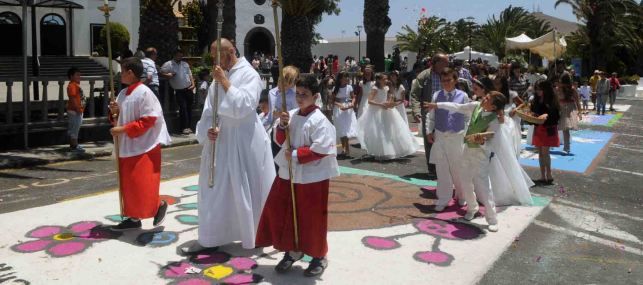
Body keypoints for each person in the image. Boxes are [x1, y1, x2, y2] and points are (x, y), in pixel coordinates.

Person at [186, 38, 276, 253]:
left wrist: (225, 82)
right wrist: (208, 129)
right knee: (213, 188)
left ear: (231, 52)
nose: (214, 62)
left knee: (248, 189)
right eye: (212, 57)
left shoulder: (249, 74)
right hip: (219, 141)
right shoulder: (219, 75)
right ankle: (211, 238)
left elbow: (244, 106)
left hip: (244, 141)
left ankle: (254, 234)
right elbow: (209, 109)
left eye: (217, 56)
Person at [256, 75, 339, 277]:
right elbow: (278, 138)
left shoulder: (320, 121)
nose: (300, 98)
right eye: (298, 94)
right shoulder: (290, 114)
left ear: (315, 96)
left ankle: (319, 255)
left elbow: (323, 149)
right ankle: (292, 250)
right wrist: (283, 126)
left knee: (311, 218)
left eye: (305, 95)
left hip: (313, 177)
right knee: (283, 211)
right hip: (288, 173)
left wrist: (294, 154)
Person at [107, 57, 171, 230]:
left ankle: (159, 205)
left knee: (141, 184)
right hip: (126, 146)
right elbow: (117, 117)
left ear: (130, 72)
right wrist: (114, 111)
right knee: (127, 185)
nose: (120, 74)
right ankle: (133, 218)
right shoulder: (122, 94)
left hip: (144, 146)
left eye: (123, 70)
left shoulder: (144, 92)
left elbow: (149, 120)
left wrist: (123, 130)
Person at [424, 67, 469, 211]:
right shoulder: (436, 95)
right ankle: (443, 198)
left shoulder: (463, 96)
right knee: (442, 168)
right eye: (443, 80)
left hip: (457, 136)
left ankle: (462, 196)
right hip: (441, 136)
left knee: (458, 168)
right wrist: (428, 131)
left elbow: (468, 117)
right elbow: (430, 116)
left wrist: (466, 134)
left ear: (455, 80)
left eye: (449, 80)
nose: (446, 83)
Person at [357, 73, 419, 160]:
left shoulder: (386, 88)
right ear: (379, 80)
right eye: (384, 79)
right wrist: (380, 104)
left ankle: (391, 150)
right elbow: (370, 101)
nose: (386, 80)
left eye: (386, 79)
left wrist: (389, 103)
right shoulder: (375, 89)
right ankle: (381, 152)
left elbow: (390, 97)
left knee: (390, 130)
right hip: (377, 112)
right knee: (380, 132)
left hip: (387, 111)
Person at [410, 53, 449, 178]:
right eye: (444, 62)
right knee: (430, 141)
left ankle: (445, 168)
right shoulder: (425, 76)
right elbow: (415, 95)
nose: (447, 64)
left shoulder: (448, 74)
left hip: (446, 112)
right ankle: (432, 169)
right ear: (436, 62)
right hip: (429, 113)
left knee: (446, 140)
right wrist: (416, 111)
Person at [530, 79, 560, 185]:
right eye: (536, 89)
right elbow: (533, 112)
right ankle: (543, 175)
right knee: (540, 153)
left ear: (545, 89)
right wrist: (532, 115)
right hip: (539, 128)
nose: (538, 91)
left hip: (548, 128)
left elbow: (556, 116)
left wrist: (546, 115)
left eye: (540, 89)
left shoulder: (552, 99)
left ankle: (549, 174)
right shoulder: (536, 99)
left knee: (545, 152)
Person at [161, 49, 195, 135]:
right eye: (178, 55)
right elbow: (160, 72)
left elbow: (190, 74)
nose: (180, 57)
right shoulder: (169, 64)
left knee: (189, 108)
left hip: (188, 88)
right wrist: (168, 75)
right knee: (182, 108)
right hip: (179, 90)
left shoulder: (185, 64)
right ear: (174, 55)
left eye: (181, 55)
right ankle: (183, 127)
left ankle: (189, 126)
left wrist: (193, 84)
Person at [330, 71, 358, 157]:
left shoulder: (349, 87)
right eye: (345, 77)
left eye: (347, 77)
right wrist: (339, 105)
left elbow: (353, 97)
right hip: (339, 109)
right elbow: (332, 100)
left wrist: (352, 103)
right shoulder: (335, 88)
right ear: (341, 78)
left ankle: (346, 150)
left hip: (348, 109)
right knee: (342, 129)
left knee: (347, 128)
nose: (347, 79)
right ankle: (344, 149)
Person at [558, 74, 582, 155]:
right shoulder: (559, 89)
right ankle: (561, 145)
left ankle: (566, 147)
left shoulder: (572, 89)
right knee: (564, 129)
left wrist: (580, 112)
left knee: (566, 129)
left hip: (569, 109)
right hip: (561, 109)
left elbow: (577, 101)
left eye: (562, 81)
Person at [66, 67, 86, 152]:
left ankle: (73, 144)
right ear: (71, 76)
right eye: (77, 75)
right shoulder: (72, 85)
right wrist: (77, 108)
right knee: (75, 128)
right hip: (75, 111)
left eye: (79, 75)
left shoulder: (74, 85)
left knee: (74, 128)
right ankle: (74, 145)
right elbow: (73, 98)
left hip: (76, 110)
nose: (79, 76)